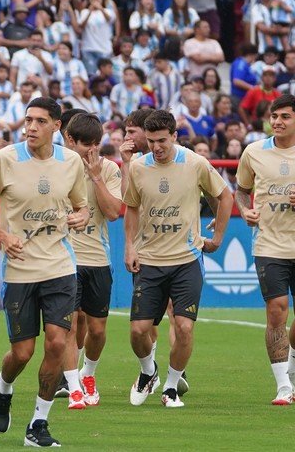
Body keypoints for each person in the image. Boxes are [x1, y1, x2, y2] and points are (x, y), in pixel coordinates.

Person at [0, 96, 90, 448]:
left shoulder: (71, 162)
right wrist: (3, 235)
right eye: (28, 120)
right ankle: (3, 386)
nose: (31, 128)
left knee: (56, 343)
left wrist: (82, 216)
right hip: (20, 270)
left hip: (59, 265)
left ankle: (38, 423)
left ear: (57, 126)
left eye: (40, 121)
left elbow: (82, 206)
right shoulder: (4, 159)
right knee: (22, 353)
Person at [123, 110, 233, 409]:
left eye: (162, 141)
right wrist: (130, 248)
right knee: (137, 331)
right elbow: (131, 208)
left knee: (184, 327)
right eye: (151, 141)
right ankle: (149, 371)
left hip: (186, 259)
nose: (157, 147)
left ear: (174, 136)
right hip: (149, 259)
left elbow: (225, 196)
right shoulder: (138, 166)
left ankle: (171, 387)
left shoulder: (195, 163)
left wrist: (218, 238)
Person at [59, 111, 122, 408]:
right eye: (87, 145)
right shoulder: (56, 165)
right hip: (64, 260)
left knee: (96, 330)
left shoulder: (108, 169)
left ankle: (88, 373)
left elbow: (113, 212)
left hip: (97, 259)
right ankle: (73, 388)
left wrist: (96, 177)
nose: (93, 150)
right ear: (71, 141)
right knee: (69, 326)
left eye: (97, 144)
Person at [236, 94, 295, 405]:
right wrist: (245, 211)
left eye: (285, 116)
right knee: (276, 311)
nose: (277, 122)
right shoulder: (254, 151)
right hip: (269, 244)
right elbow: (242, 191)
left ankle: (293, 365)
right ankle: (283, 385)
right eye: (274, 116)